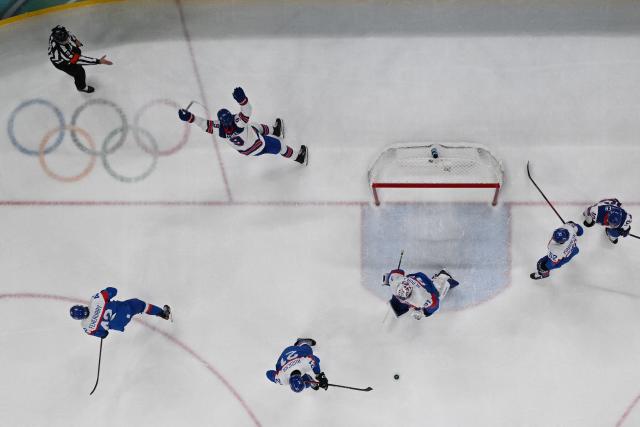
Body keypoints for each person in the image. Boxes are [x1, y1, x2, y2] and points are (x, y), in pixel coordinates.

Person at [178, 87, 308, 165]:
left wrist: (190, 117)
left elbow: (203, 124)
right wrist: (242, 100)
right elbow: (247, 110)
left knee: (254, 127)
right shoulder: (239, 123)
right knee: (280, 146)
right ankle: (299, 157)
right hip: (258, 145)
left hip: (245, 151)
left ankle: (275, 130)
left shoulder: (219, 128)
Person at [69, 287, 171, 338]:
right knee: (140, 304)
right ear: (81, 306)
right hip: (123, 310)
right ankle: (163, 313)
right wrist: (105, 296)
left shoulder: (86, 327)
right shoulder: (95, 301)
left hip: (119, 324)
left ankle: (160, 313)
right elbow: (114, 290)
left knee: (134, 307)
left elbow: (103, 334)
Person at [48, 25, 113, 93]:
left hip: (67, 53)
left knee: (77, 51)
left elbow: (68, 32)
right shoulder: (62, 52)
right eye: (64, 41)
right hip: (62, 63)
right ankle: (81, 87)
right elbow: (80, 60)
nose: (67, 40)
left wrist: (75, 40)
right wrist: (98, 61)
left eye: (66, 38)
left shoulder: (55, 34)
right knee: (80, 71)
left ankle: (74, 69)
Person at [384, 268, 460, 319]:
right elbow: (398, 271)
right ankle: (396, 308)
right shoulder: (395, 282)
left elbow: (435, 304)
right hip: (416, 276)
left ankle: (443, 277)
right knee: (399, 303)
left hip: (424, 283)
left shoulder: (421, 298)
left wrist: (423, 312)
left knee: (436, 295)